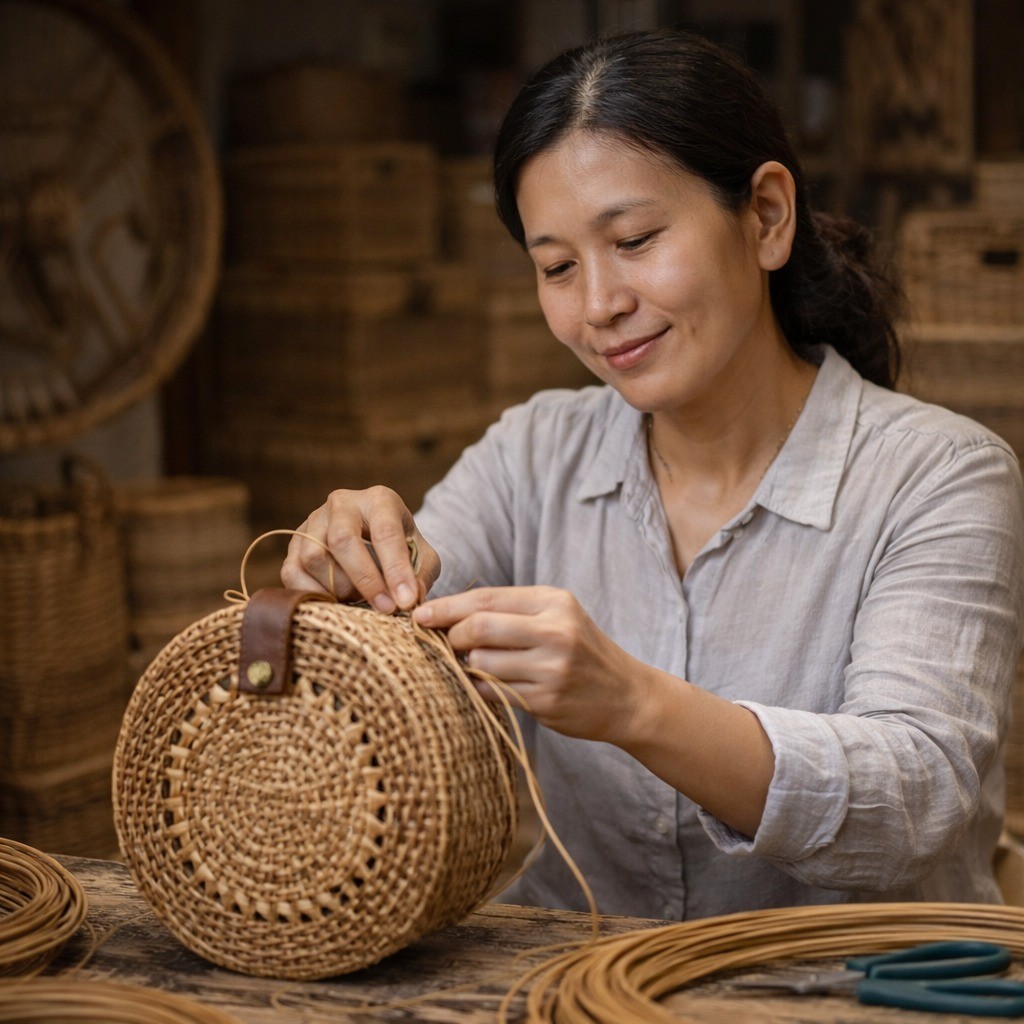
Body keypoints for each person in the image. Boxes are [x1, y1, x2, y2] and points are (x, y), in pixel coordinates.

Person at [282, 29, 1024, 920]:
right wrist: (351, 575)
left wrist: (632, 702)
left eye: (634, 239)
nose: (598, 306)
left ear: (766, 216)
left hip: (841, 990)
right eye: (557, 267)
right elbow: (396, 658)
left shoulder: (940, 477)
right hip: (571, 975)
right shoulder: (534, 456)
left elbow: (914, 799)